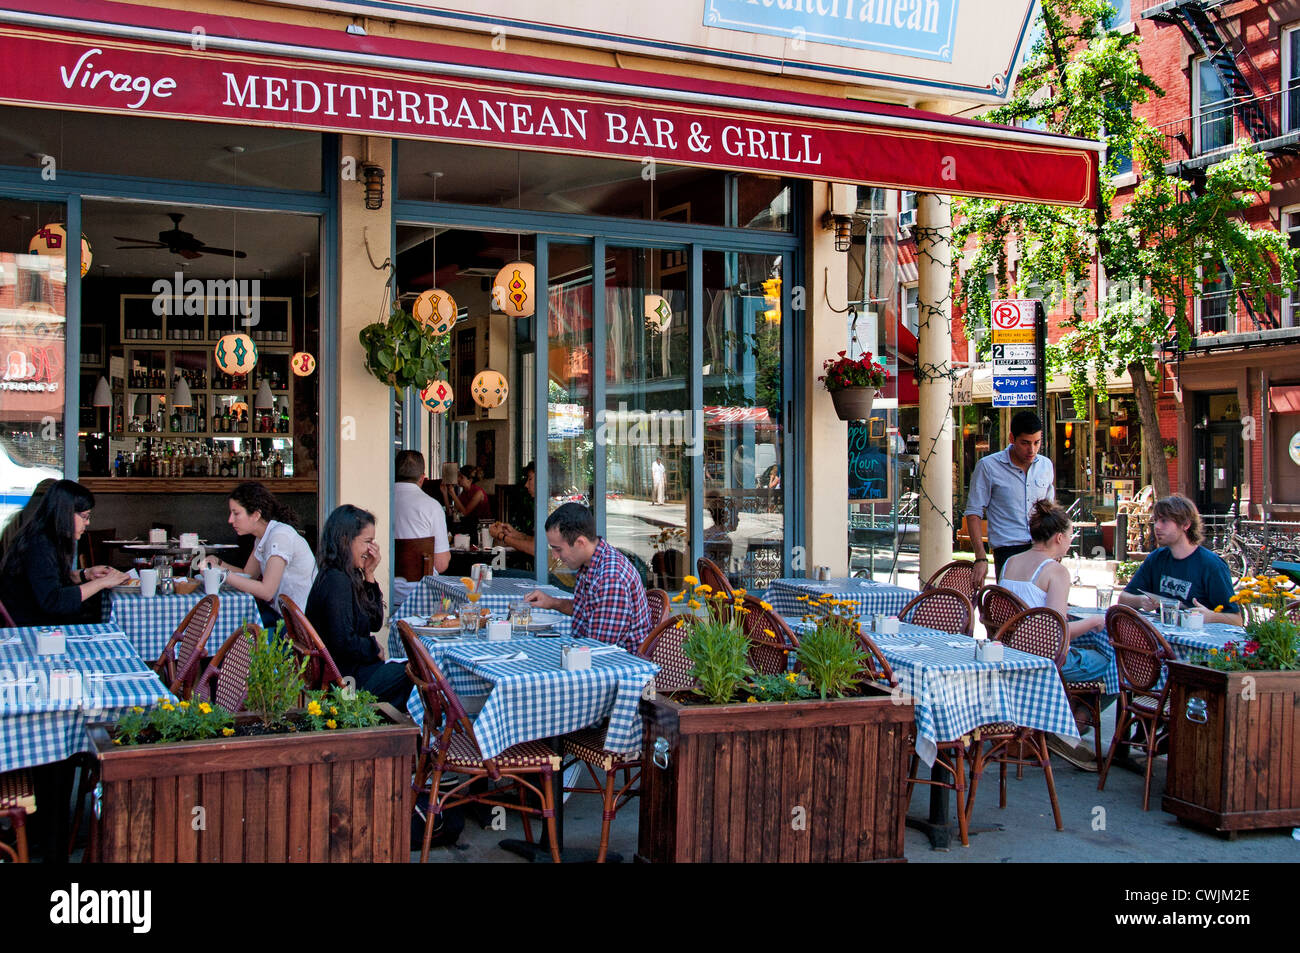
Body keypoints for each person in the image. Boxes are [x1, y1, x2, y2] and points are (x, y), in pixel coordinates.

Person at [305, 504, 411, 709]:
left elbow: (374, 623)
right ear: (346, 540)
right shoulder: (336, 581)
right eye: (367, 542)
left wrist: (369, 575)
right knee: (414, 672)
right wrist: (373, 648)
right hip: (345, 680)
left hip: (350, 670)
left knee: (411, 670)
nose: (371, 549)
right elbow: (343, 642)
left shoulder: (346, 574)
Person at [524, 502, 652, 651]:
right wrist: (552, 602)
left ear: (580, 542)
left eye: (558, 549)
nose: (555, 556)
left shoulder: (611, 579)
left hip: (615, 667)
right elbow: (587, 611)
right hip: (592, 655)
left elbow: (597, 648)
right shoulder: (592, 562)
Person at [0, 479, 127, 625]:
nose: (88, 523)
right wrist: (103, 582)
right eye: (85, 516)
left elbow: (48, 579)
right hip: (32, 627)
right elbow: (54, 600)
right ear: (65, 513)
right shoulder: (39, 545)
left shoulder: (44, 537)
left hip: (35, 618)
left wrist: (86, 574)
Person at [200, 482, 316, 626]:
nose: (230, 520)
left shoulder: (280, 536)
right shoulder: (263, 536)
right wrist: (218, 564)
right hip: (282, 616)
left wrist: (222, 574)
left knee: (236, 623)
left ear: (255, 515)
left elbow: (266, 591)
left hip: (300, 625)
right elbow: (247, 574)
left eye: (236, 513)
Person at [963, 410, 1055, 586]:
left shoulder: (1045, 465)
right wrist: (981, 558)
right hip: (1008, 550)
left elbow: (1049, 512)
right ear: (1012, 439)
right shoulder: (989, 467)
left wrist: (1054, 548)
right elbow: (974, 513)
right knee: (1011, 608)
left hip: (1041, 547)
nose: (1032, 450)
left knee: (1042, 607)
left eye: (1037, 443)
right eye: (1025, 443)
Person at [1117, 494, 1240, 624]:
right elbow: (1123, 599)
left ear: (1186, 524)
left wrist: (1210, 617)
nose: (1157, 526)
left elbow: (1237, 620)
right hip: (1163, 639)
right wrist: (1141, 600)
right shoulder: (1156, 558)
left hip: (1198, 640)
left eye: (1164, 521)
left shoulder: (1212, 565)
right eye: (1156, 520)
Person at [392, 450, 450, 602]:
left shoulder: (380, 500)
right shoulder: (432, 506)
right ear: (422, 478)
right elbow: (442, 564)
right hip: (420, 595)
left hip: (383, 590)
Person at [490, 461, 535, 557]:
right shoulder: (544, 507)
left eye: (530, 479)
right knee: (497, 568)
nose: (526, 485)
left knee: (496, 571)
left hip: (546, 571)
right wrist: (514, 534)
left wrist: (501, 536)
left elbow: (535, 549)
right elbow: (537, 542)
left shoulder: (550, 510)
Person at [448, 464, 492, 533]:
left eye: (461, 477)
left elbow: (465, 513)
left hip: (482, 528)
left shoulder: (478, 492)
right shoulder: (464, 493)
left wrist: (453, 495)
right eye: (458, 476)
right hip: (470, 525)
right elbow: (454, 512)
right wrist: (445, 492)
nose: (458, 479)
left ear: (470, 480)